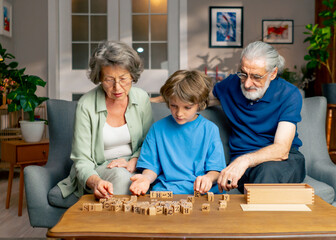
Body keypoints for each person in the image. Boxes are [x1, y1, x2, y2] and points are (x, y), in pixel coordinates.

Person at [48, 41, 153, 207]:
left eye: (123, 79)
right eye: (109, 80)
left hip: (135, 165)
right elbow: (82, 159)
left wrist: (133, 160)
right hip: (97, 169)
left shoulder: (141, 98)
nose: (117, 87)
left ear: (132, 75)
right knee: (121, 177)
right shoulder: (86, 104)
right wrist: (96, 181)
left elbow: (149, 142)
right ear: (99, 78)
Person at [211, 41, 305, 193]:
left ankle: (259, 216)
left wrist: (244, 160)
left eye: (256, 77)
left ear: (273, 73)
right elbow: (197, 98)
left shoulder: (289, 94)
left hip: (281, 160)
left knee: (267, 172)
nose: (247, 84)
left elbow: (282, 149)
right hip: (243, 164)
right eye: (243, 74)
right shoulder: (231, 84)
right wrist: (161, 99)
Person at [130, 70, 226, 195]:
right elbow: (151, 167)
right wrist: (146, 179)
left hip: (202, 192)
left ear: (199, 104)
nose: (179, 113)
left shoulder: (210, 129)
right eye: (174, 105)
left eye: (187, 107)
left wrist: (208, 178)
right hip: (166, 190)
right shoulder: (157, 129)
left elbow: (216, 170)